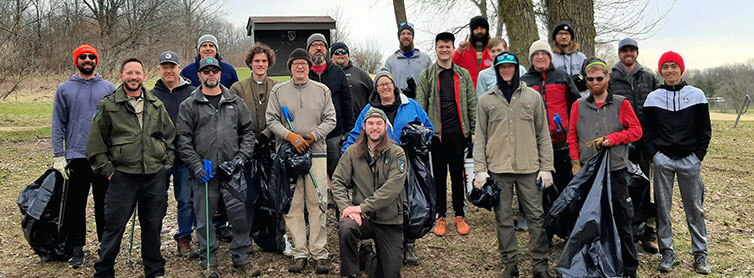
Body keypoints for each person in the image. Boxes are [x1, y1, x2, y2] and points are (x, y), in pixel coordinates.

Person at [87, 57, 175, 278]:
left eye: (138, 73)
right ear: (121, 76)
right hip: (122, 177)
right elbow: (95, 144)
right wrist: (108, 171)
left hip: (153, 176)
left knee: (153, 227)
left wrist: (166, 165)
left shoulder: (155, 104)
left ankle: (155, 271)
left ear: (144, 76)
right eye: (129, 73)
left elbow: (170, 138)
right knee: (114, 228)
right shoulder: (108, 106)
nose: (134, 77)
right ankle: (104, 271)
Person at [176, 57, 260, 277]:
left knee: (239, 217)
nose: (210, 74)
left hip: (232, 171)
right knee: (204, 220)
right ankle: (209, 261)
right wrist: (195, 165)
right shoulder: (190, 104)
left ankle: (241, 259)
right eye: (206, 71)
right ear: (200, 75)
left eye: (215, 71)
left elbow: (248, 133)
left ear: (220, 74)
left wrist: (241, 158)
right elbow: (182, 139)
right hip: (205, 172)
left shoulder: (235, 102)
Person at [473, 51, 553, 278]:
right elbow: (480, 136)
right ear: (497, 70)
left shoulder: (533, 98)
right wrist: (480, 169)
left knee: (536, 218)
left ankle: (540, 266)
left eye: (510, 66)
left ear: (517, 68)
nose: (506, 70)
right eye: (502, 67)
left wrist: (546, 166)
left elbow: (543, 135)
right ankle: (510, 265)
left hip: (529, 169)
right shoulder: (486, 100)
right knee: (504, 218)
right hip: (499, 170)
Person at [341, 71, 432, 267]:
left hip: (407, 162)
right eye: (380, 84)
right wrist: (346, 155)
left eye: (387, 83)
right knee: (379, 200)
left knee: (407, 205)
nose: (384, 87)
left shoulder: (411, 105)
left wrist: (417, 137)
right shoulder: (368, 110)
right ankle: (369, 242)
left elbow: (429, 129)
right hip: (378, 162)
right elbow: (356, 134)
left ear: (393, 85)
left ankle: (409, 243)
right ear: (376, 89)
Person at [566, 57, 642, 278]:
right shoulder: (578, 106)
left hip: (615, 170)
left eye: (600, 78)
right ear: (586, 81)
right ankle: (591, 264)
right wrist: (574, 163)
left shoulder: (621, 103)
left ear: (607, 78)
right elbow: (572, 136)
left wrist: (615, 138)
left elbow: (636, 131)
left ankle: (629, 268)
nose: (595, 82)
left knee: (622, 219)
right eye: (590, 79)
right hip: (588, 171)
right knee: (589, 220)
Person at [266, 48, 337, 274]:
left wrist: (310, 137)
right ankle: (300, 252)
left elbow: (331, 119)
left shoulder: (322, 90)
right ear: (290, 67)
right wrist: (291, 137)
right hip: (288, 156)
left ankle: (319, 253)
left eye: (303, 63)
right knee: (293, 205)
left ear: (309, 66)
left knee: (316, 203)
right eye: (295, 63)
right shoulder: (278, 91)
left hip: (315, 153)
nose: (300, 67)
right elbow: (271, 120)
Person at [644, 51, 712, 274]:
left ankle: (700, 254)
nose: (670, 70)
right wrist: (655, 155)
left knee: (695, 209)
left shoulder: (697, 95)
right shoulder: (653, 97)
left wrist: (697, 156)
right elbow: (647, 132)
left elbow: (704, 131)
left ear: (681, 69)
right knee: (663, 209)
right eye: (665, 66)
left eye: (674, 66)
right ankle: (667, 252)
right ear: (660, 70)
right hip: (663, 161)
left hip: (689, 161)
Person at [51, 44, 114, 269]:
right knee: (75, 205)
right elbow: (58, 123)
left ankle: (104, 245)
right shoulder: (65, 89)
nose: (87, 60)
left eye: (91, 57)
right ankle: (76, 248)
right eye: (83, 57)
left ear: (96, 61)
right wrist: (59, 154)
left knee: (103, 204)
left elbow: (116, 124)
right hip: (76, 156)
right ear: (76, 61)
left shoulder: (109, 88)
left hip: (102, 157)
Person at [333, 108, 408, 278]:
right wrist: (347, 207)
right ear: (364, 127)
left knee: (389, 274)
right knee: (346, 227)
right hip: (363, 219)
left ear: (385, 127)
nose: (375, 127)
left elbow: (392, 188)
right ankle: (351, 273)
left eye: (379, 123)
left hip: (389, 219)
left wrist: (361, 207)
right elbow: (338, 181)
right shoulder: (352, 152)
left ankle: (366, 258)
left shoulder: (397, 153)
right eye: (371, 124)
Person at [416, 32, 476, 237]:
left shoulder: (463, 74)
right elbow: (421, 104)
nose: (444, 50)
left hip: (459, 133)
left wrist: (473, 131)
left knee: (458, 176)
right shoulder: (427, 75)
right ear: (436, 49)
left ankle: (460, 214)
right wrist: (424, 131)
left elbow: (471, 104)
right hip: (436, 135)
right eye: (440, 47)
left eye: (447, 46)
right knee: (438, 177)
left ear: (452, 48)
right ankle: (440, 215)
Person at [182, 34, 238, 242]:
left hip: (225, 137)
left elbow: (235, 98)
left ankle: (222, 226)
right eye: (204, 45)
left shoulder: (229, 70)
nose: (207, 48)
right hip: (201, 138)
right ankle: (201, 230)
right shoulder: (187, 71)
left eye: (211, 45)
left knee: (225, 194)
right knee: (200, 195)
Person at [520, 40, 580, 231]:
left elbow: (576, 104)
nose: (540, 57)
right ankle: (540, 226)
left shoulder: (562, 77)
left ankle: (565, 226)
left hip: (560, 142)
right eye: (536, 54)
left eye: (544, 54)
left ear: (549, 56)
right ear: (531, 58)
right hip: (534, 144)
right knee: (536, 188)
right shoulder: (524, 81)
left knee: (563, 186)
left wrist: (570, 128)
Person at [608, 38, 660, 254]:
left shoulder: (648, 77)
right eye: (624, 50)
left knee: (649, 188)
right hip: (621, 143)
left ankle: (649, 232)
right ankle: (624, 232)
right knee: (624, 188)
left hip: (646, 142)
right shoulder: (611, 78)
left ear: (636, 53)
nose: (628, 53)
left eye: (632, 50)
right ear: (620, 53)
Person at [150, 50, 197, 257]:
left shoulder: (193, 92)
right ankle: (152, 242)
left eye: (172, 67)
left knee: (186, 199)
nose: (169, 71)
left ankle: (184, 238)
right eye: (164, 67)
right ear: (159, 70)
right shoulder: (151, 95)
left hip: (185, 156)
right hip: (159, 158)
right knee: (156, 200)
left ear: (179, 68)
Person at [306, 33, 354, 179]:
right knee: (314, 174)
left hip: (334, 134)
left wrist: (349, 130)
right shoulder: (303, 72)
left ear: (326, 49)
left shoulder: (337, 72)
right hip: (310, 135)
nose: (318, 48)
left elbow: (347, 102)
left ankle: (336, 201)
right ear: (308, 49)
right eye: (314, 45)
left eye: (322, 45)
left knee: (336, 174)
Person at [230, 42, 278, 141]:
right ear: (250, 63)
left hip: (273, 141)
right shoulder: (237, 88)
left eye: (264, 61)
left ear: (269, 63)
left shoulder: (277, 87)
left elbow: (280, 117)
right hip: (245, 142)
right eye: (257, 61)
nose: (260, 64)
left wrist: (266, 134)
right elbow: (233, 118)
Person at [384, 22, 433, 98]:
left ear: (412, 37)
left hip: (421, 105)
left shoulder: (426, 59)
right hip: (399, 105)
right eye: (403, 33)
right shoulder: (390, 62)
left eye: (409, 33)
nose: (406, 36)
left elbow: (432, 84)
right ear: (399, 37)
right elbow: (386, 85)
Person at [331, 41, 373, 114]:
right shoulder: (327, 74)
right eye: (336, 52)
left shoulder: (361, 74)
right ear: (331, 56)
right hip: (334, 120)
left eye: (344, 52)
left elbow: (374, 95)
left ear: (348, 55)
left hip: (358, 119)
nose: (340, 54)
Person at [453, 16, 492, 87]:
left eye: (482, 28)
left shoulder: (493, 50)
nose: (479, 31)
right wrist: (459, 52)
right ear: (472, 31)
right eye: (476, 28)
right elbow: (452, 66)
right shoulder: (464, 50)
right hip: (469, 93)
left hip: (488, 92)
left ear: (486, 30)